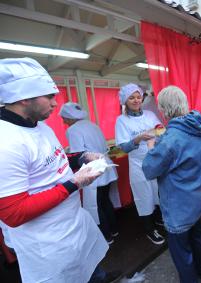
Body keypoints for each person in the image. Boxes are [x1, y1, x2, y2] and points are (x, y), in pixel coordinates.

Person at [0, 57, 119, 283]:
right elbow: (13, 213)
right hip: (46, 242)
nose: (56, 104)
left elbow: (56, 159)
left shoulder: (40, 126)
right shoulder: (5, 142)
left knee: (91, 270)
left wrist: (81, 157)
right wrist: (74, 183)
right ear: (24, 98)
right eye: (49, 96)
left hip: (72, 225)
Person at [142, 86, 201, 283]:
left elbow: (149, 169)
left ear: (164, 111)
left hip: (179, 205)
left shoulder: (171, 138)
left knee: (181, 250)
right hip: (200, 197)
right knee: (198, 235)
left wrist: (151, 148)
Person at [59, 102, 119, 244]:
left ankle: (106, 236)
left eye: (64, 118)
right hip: (106, 166)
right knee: (105, 200)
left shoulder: (72, 130)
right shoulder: (93, 125)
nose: (63, 121)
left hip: (93, 169)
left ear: (70, 117)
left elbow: (79, 154)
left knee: (95, 204)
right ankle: (114, 230)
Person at [115, 83, 165, 245]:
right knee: (144, 197)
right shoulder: (121, 121)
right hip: (138, 165)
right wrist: (137, 139)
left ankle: (158, 220)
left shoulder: (150, 114)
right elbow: (123, 147)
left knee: (158, 192)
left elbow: (160, 130)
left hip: (155, 160)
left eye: (138, 97)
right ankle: (149, 230)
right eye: (131, 98)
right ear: (125, 101)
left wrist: (159, 130)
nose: (136, 100)